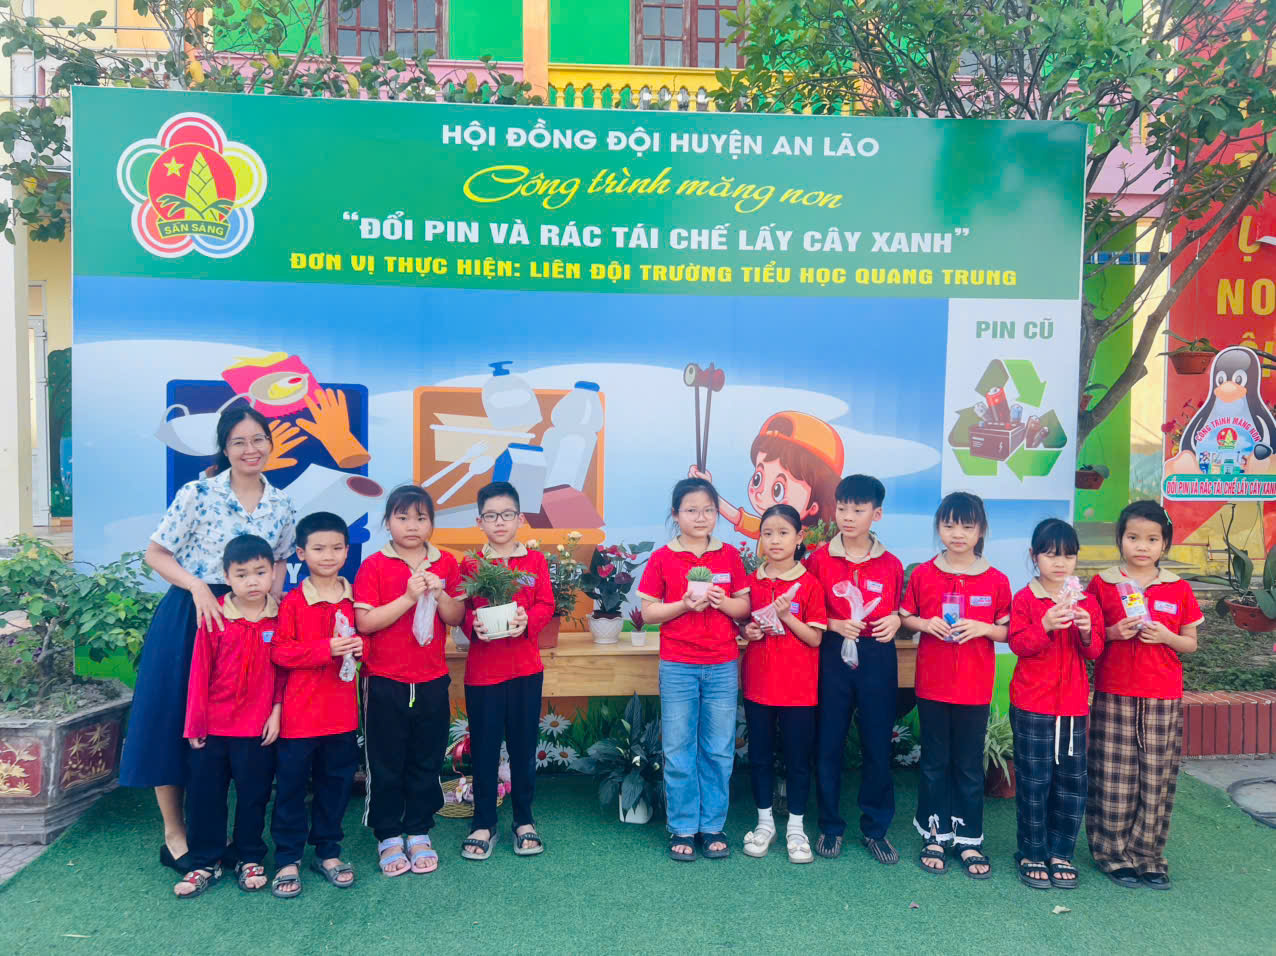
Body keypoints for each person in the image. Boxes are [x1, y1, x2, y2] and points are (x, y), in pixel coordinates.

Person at [120, 405, 295, 876]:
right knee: (175, 719)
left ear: (270, 443)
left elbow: (281, 558)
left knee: (242, 725)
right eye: (239, 442)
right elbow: (156, 553)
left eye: (258, 439)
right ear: (224, 448)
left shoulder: (281, 503)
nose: (250, 449)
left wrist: (274, 599)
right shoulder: (197, 493)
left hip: (253, 623)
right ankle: (175, 833)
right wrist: (198, 587)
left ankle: (231, 838)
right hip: (192, 615)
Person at [1085, 500, 1202, 891]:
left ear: (1164, 544)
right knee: (1113, 776)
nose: (1142, 546)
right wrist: (1114, 632)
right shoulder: (1102, 584)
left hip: (1162, 696)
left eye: (1152, 539)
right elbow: (1090, 641)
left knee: (1156, 777)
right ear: (1120, 539)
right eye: (1133, 537)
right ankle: (1112, 855)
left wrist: (1166, 636)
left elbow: (1190, 643)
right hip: (1114, 691)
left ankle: (1149, 856)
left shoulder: (1178, 587)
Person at [353, 485, 465, 877]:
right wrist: (408, 597)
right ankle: (387, 834)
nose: (412, 526)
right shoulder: (374, 565)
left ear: (432, 523)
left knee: (426, 758)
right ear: (388, 523)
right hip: (385, 679)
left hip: (432, 678)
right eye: (402, 517)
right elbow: (365, 622)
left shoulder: (445, 563)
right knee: (385, 761)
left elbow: (454, 617)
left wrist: (440, 592)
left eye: (421, 518)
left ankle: (418, 831)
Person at [637, 477, 750, 861]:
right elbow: (650, 612)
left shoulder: (729, 556)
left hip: (721, 664)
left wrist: (722, 602)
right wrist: (684, 605)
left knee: (718, 750)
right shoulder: (662, 558)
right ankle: (683, 827)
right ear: (675, 514)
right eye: (691, 510)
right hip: (678, 665)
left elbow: (743, 608)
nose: (700, 517)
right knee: (678, 748)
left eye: (708, 510)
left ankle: (713, 825)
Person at [900, 491, 1010, 879]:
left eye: (967, 526)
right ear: (939, 528)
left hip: (974, 688)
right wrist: (924, 623)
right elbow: (905, 616)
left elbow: (1007, 631)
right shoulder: (924, 575)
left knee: (968, 764)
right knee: (934, 762)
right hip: (932, 685)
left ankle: (968, 838)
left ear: (981, 530)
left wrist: (983, 628)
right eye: (949, 525)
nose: (957, 533)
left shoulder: (996, 580)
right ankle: (934, 834)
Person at [803, 474, 905, 864]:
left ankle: (876, 829)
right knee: (828, 743)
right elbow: (808, 610)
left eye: (858, 510)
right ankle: (830, 825)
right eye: (842, 508)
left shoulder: (891, 564)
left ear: (876, 514)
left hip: (877, 656)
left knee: (877, 744)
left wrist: (896, 618)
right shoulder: (818, 560)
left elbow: (900, 610)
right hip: (832, 657)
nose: (847, 517)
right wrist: (833, 623)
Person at [175, 535, 283, 899]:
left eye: (260, 572)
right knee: (205, 796)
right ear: (226, 577)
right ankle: (204, 860)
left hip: (258, 728)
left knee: (254, 795)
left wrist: (276, 712)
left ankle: (249, 856)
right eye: (242, 574)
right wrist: (195, 723)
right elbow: (199, 670)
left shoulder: (281, 617)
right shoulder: (215, 615)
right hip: (213, 728)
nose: (252, 581)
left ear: (273, 572)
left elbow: (286, 671)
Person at [458, 481, 555, 861]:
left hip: (525, 669)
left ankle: (524, 820)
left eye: (507, 514)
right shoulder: (471, 565)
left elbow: (546, 603)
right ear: (479, 521)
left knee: (523, 747)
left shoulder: (534, 561)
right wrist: (473, 626)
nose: (500, 522)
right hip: (483, 672)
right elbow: (462, 610)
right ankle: (483, 822)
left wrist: (528, 620)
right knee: (483, 749)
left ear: (520, 519)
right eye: (491, 515)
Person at [269, 512, 362, 898]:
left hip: (342, 716)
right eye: (319, 548)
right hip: (300, 717)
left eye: (337, 548)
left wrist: (361, 648)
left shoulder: (355, 599)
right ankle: (287, 858)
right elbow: (280, 652)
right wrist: (326, 649)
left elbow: (368, 644)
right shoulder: (292, 601)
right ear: (301, 553)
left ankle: (328, 852)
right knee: (291, 789)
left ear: (347, 551)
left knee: (336, 786)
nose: (328, 555)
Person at [1008, 519, 1105, 890]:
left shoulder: (1087, 602)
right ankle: (1032, 853)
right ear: (1034, 556)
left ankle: (1061, 853)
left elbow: (1094, 651)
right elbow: (1018, 644)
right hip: (1032, 703)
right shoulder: (1026, 598)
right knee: (1034, 781)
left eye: (1068, 555)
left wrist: (1085, 629)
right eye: (1050, 555)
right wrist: (1045, 624)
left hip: (1073, 707)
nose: (1060, 562)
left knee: (1071, 783)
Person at [740, 504, 827, 864]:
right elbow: (743, 626)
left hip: (799, 690)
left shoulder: (810, 584)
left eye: (783, 533)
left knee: (797, 760)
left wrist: (787, 616)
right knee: (759, 756)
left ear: (799, 537)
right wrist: (749, 631)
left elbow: (815, 638)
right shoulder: (752, 582)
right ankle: (764, 824)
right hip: (758, 686)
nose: (775, 540)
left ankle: (795, 828)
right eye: (767, 533)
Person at [691, 411, 843, 538]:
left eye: (778, 490)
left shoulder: (811, 539)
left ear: (814, 507)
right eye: (758, 479)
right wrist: (709, 490)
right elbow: (738, 517)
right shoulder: (766, 527)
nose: (760, 493)